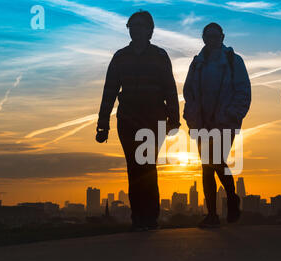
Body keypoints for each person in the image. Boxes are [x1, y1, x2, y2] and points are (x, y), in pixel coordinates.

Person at [96, 10, 180, 231]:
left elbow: (170, 89)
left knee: (147, 166)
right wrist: (102, 123)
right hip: (128, 119)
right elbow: (109, 90)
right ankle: (138, 218)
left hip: (154, 119)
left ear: (149, 30)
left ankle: (150, 218)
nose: (135, 29)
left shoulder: (160, 56)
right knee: (134, 168)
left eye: (140, 26)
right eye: (132, 26)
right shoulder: (120, 57)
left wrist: (175, 119)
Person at [183, 23, 251, 228]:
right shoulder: (197, 63)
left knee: (216, 162)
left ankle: (231, 198)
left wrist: (231, 114)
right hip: (202, 123)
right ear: (203, 38)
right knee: (207, 167)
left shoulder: (233, 61)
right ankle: (212, 213)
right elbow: (189, 92)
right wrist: (192, 117)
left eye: (216, 36)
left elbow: (243, 91)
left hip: (224, 122)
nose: (212, 40)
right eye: (208, 36)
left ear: (222, 37)